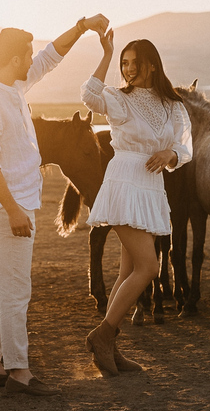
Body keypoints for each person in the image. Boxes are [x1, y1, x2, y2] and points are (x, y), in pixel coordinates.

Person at [0, 14, 109, 396]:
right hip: (6, 207)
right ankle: (18, 371)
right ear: (15, 59)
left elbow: (52, 56)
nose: (33, 60)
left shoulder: (12, 87)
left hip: (16, 203)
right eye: (27, 55)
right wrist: (14, 210)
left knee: (1, 288)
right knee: (17, 292)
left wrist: (82, 28)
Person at [80, 31, 193, 375]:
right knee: (149, 268)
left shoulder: (173, 106)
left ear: (152, 66)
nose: (128, 69)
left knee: (128, 272)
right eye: (123, 63)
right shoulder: (117, 98)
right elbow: (88, 95)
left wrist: (170, 152)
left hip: (150, 187)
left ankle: (109, 348)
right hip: (125, 181)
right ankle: (102, 335)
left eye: (134, 63)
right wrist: (106, 52)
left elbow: (186, 147)